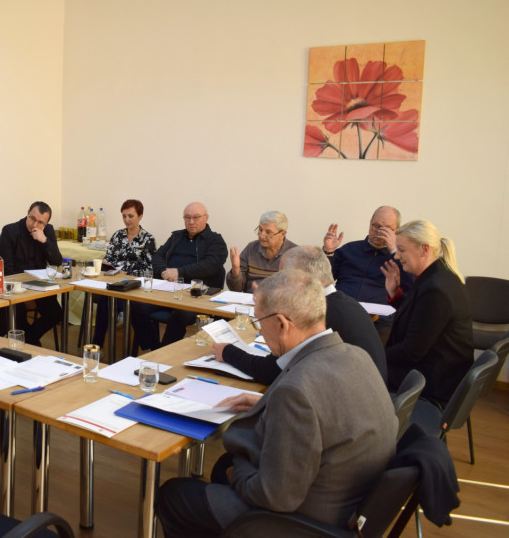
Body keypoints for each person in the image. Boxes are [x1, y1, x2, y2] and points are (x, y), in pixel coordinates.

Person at [156, 269, 397, 537]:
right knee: (224, 466)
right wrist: (269, 405)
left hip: (304, 521)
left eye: (259, 322)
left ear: (282, 324)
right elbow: (327, 411)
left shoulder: (296, 392)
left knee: (175, 495)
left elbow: (274, 497)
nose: (260, 330)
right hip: (347, 500)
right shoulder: (356, 355)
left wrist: (240, 466)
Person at [213, 245, 386, 384]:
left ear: (303, 279)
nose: (280, 282)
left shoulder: (319, 312)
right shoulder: (344, 302)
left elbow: (274, 371)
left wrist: (228, 352)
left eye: (283, 277)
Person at [381, 220, 473, 406]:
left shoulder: (436, 288)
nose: (397, 256)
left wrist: (376, 355)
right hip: (434, 369)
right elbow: (421, 316)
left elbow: (412, 351)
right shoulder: (438, 274)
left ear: (424, 249)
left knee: (360, 372)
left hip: (433, 381)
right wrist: (395, 294)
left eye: (401, 250)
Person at [131, 202, 227, 350]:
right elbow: (157, 256)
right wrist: (164, 272)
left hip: (195, 295)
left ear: (206, 218)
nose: (191, 222)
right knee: (136, 304)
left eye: (196, 217)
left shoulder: (215, 241)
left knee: (181, 313)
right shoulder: (176, 237)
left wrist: (179, 272)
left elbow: (210, 265)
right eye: (187, 217)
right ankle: (154, 349)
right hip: (168, 290)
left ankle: (164, 353)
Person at [92, 199, 157, 349]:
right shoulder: (117, 235)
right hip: (115, 283)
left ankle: (97, 345)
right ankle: (97, 346)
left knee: (107, 300)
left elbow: (148, 269)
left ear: (140, 216)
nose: (127, 220)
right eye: (124, 216)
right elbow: (109, 258)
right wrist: (107, 263)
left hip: (135, 286)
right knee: (105, 298)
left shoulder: (148, 239)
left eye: (131, 216)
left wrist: (125, 271)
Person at [0, 201, 63, 346]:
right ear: (27, 213)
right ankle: (32, 344)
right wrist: (26, 292)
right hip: (16, 288)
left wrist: (45, 240)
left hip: (39, 287)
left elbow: (57, 261)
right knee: (18, 316)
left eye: (41, 222)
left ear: (46, 223)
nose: (35, 225)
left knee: (56, 313)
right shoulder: (10, 231)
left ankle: (29, 340)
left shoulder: (48, 231)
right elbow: (7, 270)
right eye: (32, 218)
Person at [323, 205, 415, 305]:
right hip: (342, 307)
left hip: (380, 312)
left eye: (387, 229)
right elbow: (322, 279)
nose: (380, 232)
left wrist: (394, 250)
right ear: (370, 223)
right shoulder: (349, 249)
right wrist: (328, 252)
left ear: (396, 231)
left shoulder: (400, 257)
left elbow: (411, 286)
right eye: (376, 226)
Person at [227, 210, 297, 293]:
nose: (262, 236)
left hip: (276, 300)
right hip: (250, 298)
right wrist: (235, 270)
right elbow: (235, 289)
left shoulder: (295, 254)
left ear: (282, 234)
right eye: (260, 230)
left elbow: (296, 292)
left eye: (268, 232)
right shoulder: (251, 248)